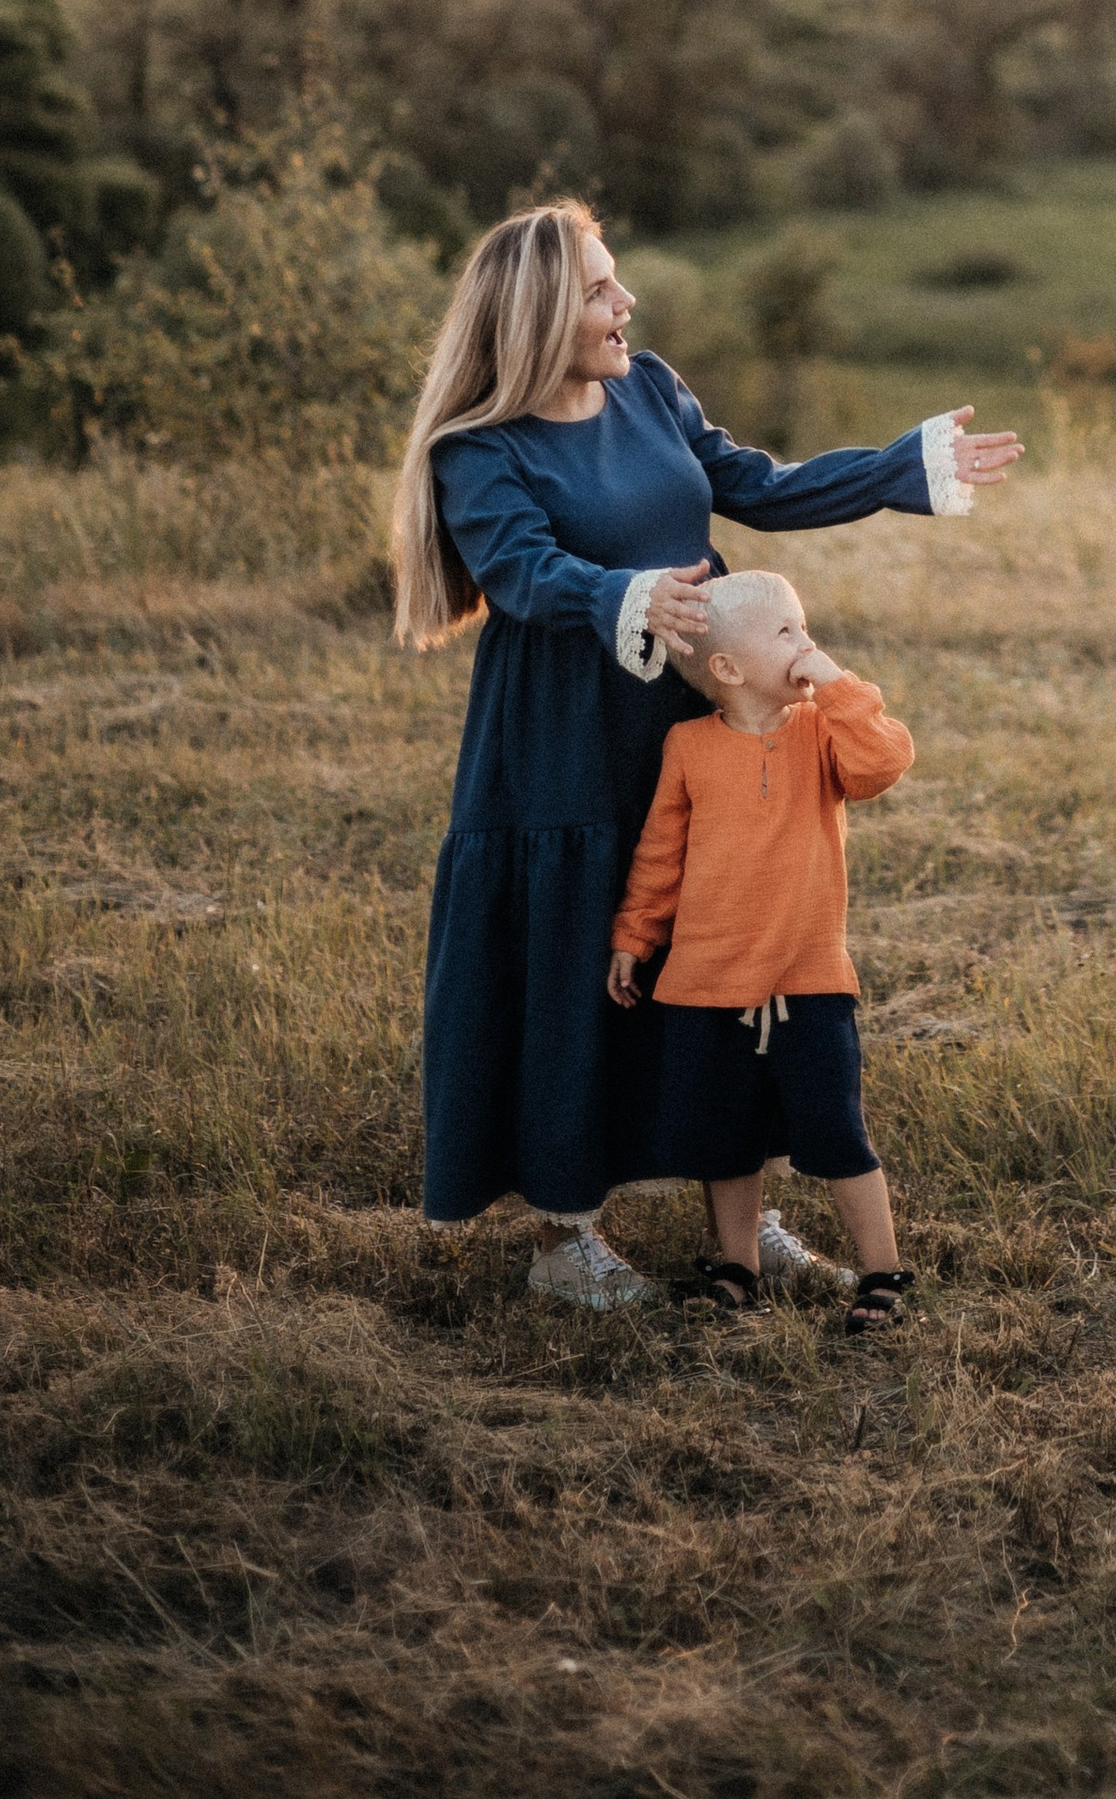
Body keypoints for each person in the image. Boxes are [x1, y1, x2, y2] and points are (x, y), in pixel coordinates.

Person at [392, 198, 1021, 1307]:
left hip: (695, 724)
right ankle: (564, 1231)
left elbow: (759, 484)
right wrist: (628, 593)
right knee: (575, 962)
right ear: (541, 310)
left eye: (615, 278)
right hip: (561, 747)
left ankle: (741, 1208)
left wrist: (898, 464)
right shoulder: (477, 451)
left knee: (718, 949)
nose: (624, 300)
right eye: (598, 286)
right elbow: (525, 571)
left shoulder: (650, 389)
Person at [607, 568, 914, 1330]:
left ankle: (883, 1272)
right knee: (723, 1139)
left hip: (807, 980)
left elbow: (884, 763)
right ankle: (736, 1265)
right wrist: (634, 936)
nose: (806, 644)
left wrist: (836, 683)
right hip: (705, 982)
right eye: (787, 634)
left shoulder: (821, 732)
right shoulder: (688, 747)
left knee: (836, 1131)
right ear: (728, 669)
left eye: (805, 629)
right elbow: (660, 854)